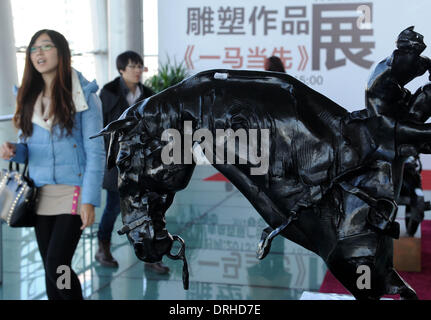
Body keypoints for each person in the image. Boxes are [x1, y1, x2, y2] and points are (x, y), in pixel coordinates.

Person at [0, 29, 105, 300]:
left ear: (61, 53)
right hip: (40, 193)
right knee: (52, 266)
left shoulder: (84, 94)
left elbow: (95, 151)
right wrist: (15, 151)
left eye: (46, 47)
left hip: (73, 191)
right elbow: (29, 149)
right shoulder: (27, 96)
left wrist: (89, 200)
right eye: (34, 48)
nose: (39, 53)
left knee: (57, 263)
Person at [96, 50, 170, 274]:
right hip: (117, 164)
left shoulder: (148, 93)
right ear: (121, 70)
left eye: (140, 66)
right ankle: (103, 248)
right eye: (133, 66)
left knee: (149, 210)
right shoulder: (108, 93)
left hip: (144, 165)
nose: (138, 70)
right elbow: (101, 128)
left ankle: (151, 256)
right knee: (113, 208)